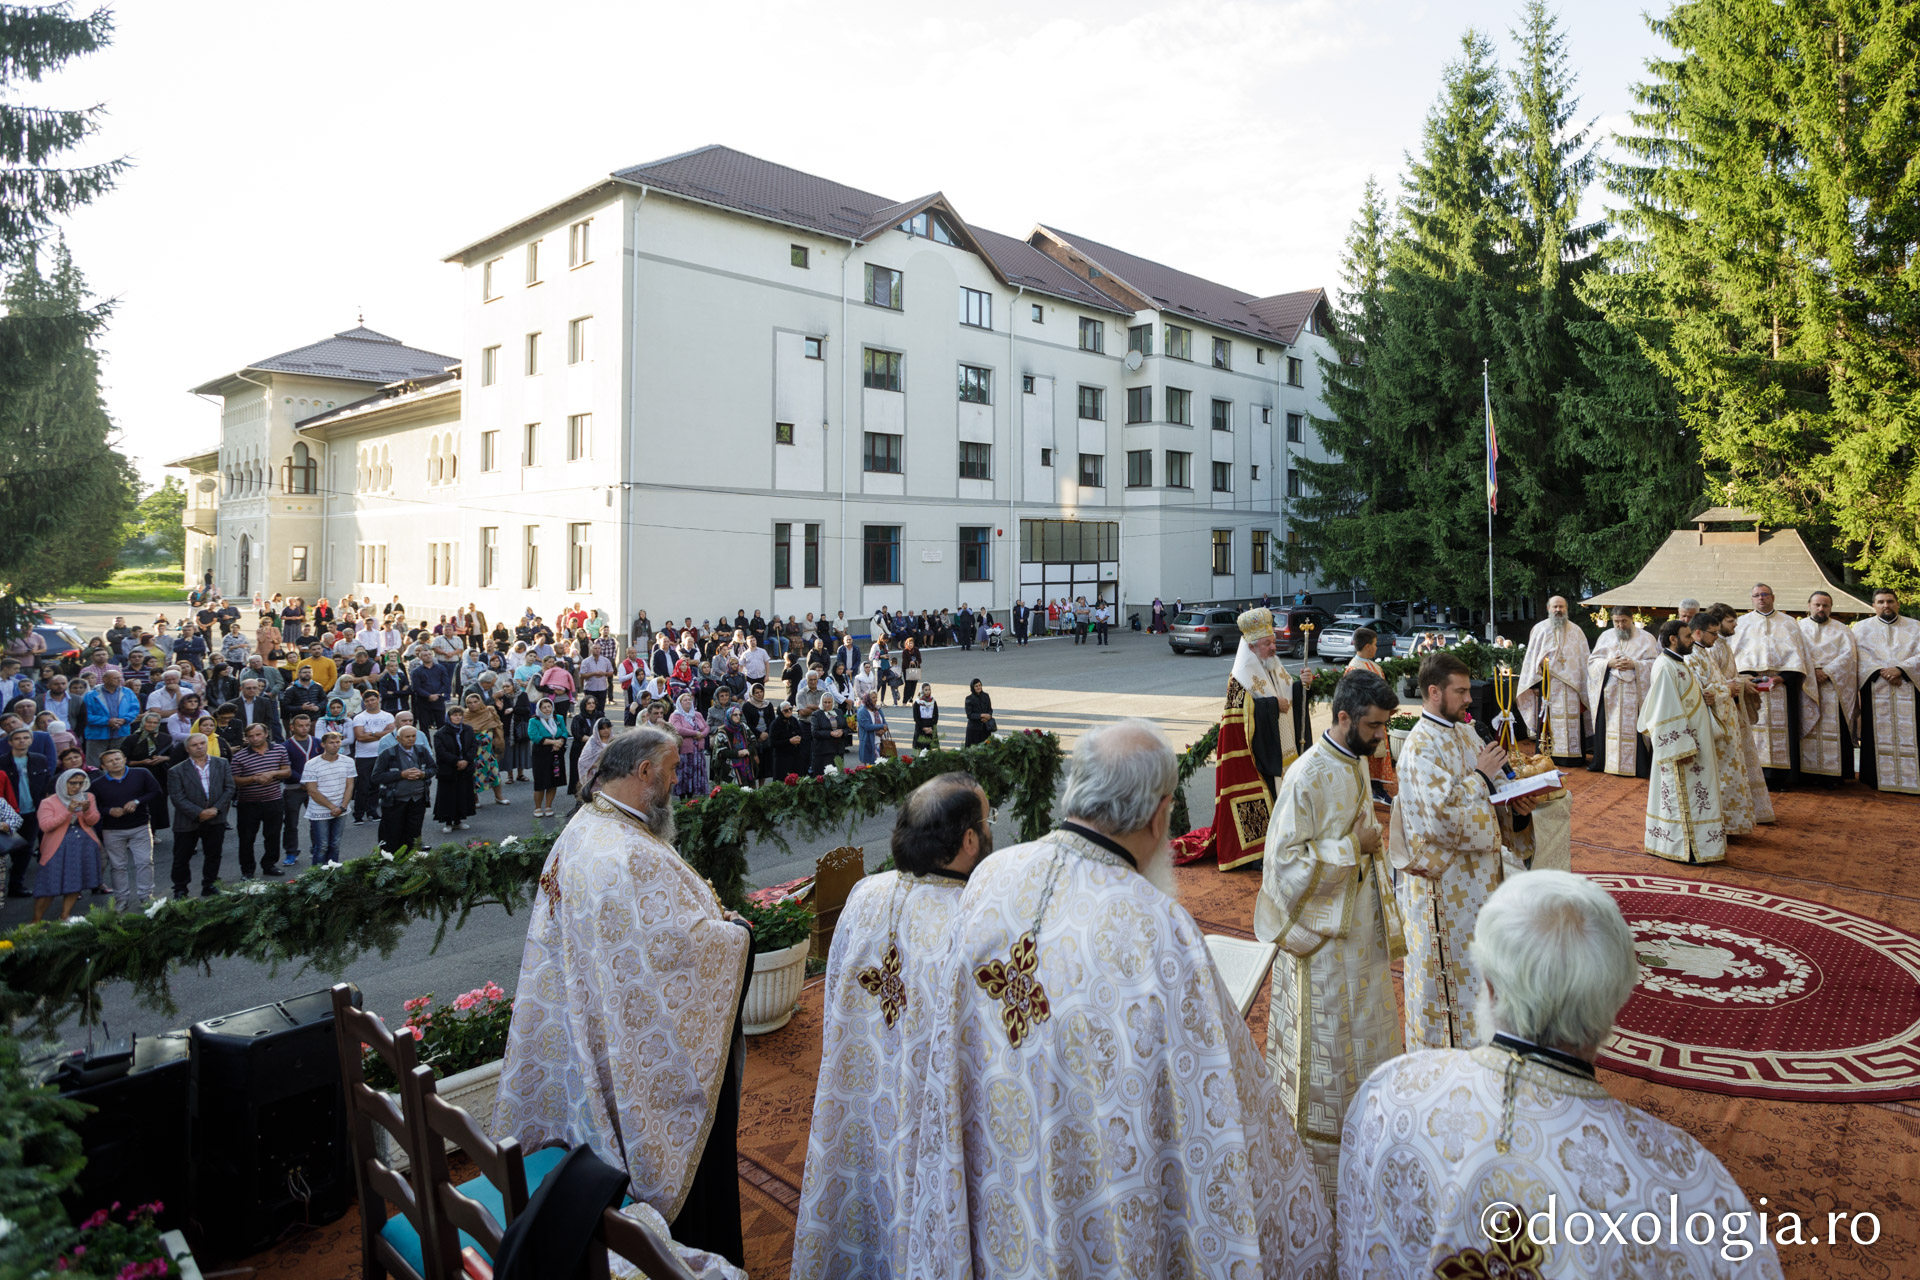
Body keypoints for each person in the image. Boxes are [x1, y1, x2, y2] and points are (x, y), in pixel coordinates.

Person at [903, 720, 1332, 1278]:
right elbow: (1220, 1103)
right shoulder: (1158, 925)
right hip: (1099, 1190)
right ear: (1160, 814)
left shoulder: (989, 877)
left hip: (998, 1163)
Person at [1338, 871, 1783, 1279]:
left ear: (1490, 987)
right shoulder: (1687, 1185)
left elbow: (1355, 1247)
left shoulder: (1388, 1095)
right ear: (1616, 999)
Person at [493, 726, 754, 1266]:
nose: (677, 781)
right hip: (641, 1045)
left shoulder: (585, 825)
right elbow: (676, 953)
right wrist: (735, 935)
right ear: (644, 772)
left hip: (594, 1015)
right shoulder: (628, 852)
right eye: (673, 770)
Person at [791, 772, 989, 1279]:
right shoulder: (972, 918)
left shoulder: (865, 893)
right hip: (928, 1105)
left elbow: (836, 990)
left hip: (862, 1092)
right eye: (987, 824)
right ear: (969, 840)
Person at [1256, 670, 1405, 1209]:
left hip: (1359, 934)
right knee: (1327, 1056)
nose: (1381, 738)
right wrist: (1351, 848)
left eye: (1384, 726)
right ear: (1343, 717)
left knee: (1365, 1041)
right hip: (1321, 944)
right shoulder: (1306, 776)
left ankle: (1368, 1143)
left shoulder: (1355, 759)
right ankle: (1317, 1174)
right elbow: (1282, 868)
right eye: (1374, 726)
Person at [1390, 653, 1536, 1049]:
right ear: (1434, 692)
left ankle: (1487, 1047)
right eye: (1461, 691)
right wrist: (1482, 778)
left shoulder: (1468, 734)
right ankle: (1445, 1062)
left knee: (1483, 973)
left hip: (1482, 884)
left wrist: (1515, 807)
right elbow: (1437, 821)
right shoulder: (1420, 746)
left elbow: (1491, 795)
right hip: (1444, 892)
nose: (1470, 699)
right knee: (1449, 987)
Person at [1192, 607, 1303, 871]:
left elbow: (1288, 690)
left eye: (1273, 641)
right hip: (1254, 755)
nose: (1273, 648)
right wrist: (1273, 706)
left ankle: (1281, 845)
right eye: (1267, 644)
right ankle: (1256, 853)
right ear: (1251, 647)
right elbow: (1238, 717)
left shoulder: (1272, 665)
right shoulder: (1239, 678)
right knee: (1262, 798)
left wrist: (1303, 685)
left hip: (1278, 748)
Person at [1638, 618, 1727, 864]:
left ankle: (1697, 847)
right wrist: (1680, 748)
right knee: (1684, 795)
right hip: (1683, 749)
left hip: (1696, 743)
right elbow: (1665, 709)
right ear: (1673, 639)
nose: (1692, 641)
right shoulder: (1665, 666)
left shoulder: (1679, 663)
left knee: (1697, 794)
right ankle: (1686, 849)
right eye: (1687, 637)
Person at [1732, 582, 1819, 789]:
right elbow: (1735, 655)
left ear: (1773, 597)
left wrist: (1781, 678)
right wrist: (1749, 677)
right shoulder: (1741, 623)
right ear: (1751, 599)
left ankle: (1784, 778)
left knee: (1784, 733)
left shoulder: (1789, 623)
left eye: (1764, 594)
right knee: (1754, 730)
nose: (1760, 598)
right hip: (1750, 685)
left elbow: (1800, 657)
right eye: (1756, 595)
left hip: (1782, 686)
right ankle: (1755, 776)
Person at [1685, 611, 1760, 837]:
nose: (1717, 637)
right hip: (1714, 725)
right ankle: (1719, 825)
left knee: (1729, 774)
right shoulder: (1691, 656)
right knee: (1720, 776)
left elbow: (1713, 684)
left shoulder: (1704, 652)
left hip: (1725, 721)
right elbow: (1699, 690)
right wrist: (1727, 689)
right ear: (1698, 632)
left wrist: (1732, 685)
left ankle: (1729, 824)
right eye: (1713, 633)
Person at [1854, 588, 1920, 794]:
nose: (1886, 605)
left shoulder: (1916, 627)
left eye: (1890, 601)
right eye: (1881, 602)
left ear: (1897, 604)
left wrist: (1901, 669)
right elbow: (1858, 655)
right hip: (1875, 685)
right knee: (1874, 733)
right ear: (1874, 606)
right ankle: (1875, 777)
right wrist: (1883, 672)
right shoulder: (1861, 628)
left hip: (1909, 686)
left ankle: (1913, 778)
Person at [1516, 596, 1591, 766]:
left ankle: (1574, 758)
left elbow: (1583, 660)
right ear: (1548, 608)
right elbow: (1531, 660)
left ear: (1566, 609)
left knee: (1572, 719)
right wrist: (1537, 675)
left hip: (1573, 687)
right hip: (1548, 684)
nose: (1558, 610)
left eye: (1561, 607)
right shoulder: (1540, 629)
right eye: (1555, 607)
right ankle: (1547, 756)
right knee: (1548, 718)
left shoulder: (1576, 631)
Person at [1584, 606, 1657, 776]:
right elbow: (1592, 662)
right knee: (1607, 726)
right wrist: (1608, 663)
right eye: (1616, 621)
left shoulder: (1646, 638)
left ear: (1632, 619)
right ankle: (1604, 763)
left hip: (1635, 695)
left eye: (1624, 621)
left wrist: (1635, 665)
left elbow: (1655, 664)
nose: (1620, 625)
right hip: (1611, 694)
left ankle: (1637, 766)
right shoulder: (1605, 636)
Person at [1799, 591, 1859, 784]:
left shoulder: (1842, 630)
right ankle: (1806, 775)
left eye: (1825, 605)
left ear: (1831, 608)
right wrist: (1813, 671)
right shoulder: (1797, 629)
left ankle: (1832, 777)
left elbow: (1849, 656)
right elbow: (1793, 653)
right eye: (1817, 605)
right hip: (1806, 686)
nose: (1821, 609)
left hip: (1834, 688)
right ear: (1809, 605)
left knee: (1835, 730)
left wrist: (1828, 672)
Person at [91, 747, 161, 910]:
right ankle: (121, 899)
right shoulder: (97, 784)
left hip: (140, 825)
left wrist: (137, 801)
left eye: (118, 759)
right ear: (103, 766)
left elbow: (156, 792)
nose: (115, 763)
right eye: (110, 761)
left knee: (145, 862)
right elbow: (94, 806)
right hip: (112, 829)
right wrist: (109, 811)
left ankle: (146, 897)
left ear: (124, 760)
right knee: (117, 866)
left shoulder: (142, 773)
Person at [166, 732, 233, 898]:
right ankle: (180, 889)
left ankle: (210, 884)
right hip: (187, 820)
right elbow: (177, 797)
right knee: (182, 857)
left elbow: (229, 788)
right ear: (187, 749)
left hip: (215, 818)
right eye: (195, 745)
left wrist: (215, 809)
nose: (200, 747)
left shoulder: (222, 763)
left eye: (202, 743)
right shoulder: (176, 770)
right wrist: (199, 813)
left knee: (214, 854)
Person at [34, 768, 100, 921]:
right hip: (56, 847)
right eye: (72, 783)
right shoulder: (48, 802)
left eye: (80, 783)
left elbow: (93, 821)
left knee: (75, 881)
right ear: (63, 783)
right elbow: (45, 826)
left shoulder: (88, 797)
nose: (77, 787)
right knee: (48, 884)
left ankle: (65, 915)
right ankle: (35, 921)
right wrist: (68, 811)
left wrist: (87, 810)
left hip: (83, 844)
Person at [1343, 627, 1399, 802]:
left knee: (1377, 753)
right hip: (1364, 721)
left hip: (1377, 719)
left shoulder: (1375, 666)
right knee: (1366, 755)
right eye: (1375, 644)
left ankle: (1377, 787)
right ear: (1367, 646)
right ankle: (1368, 790)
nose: (1376, 647)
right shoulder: (1354, 669)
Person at [230, 722, 290, 879]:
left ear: (266, 734)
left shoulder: (279, 749)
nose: (255, 738)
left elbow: (287, 771)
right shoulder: (239, 756)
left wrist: (272, 773)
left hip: (273, 800)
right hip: (248, 803)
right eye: (251, 736)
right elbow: (235, 780)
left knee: (273, 835)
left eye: (258, 735)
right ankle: (247, 870)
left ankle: (269, 865)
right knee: (247, 838)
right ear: (246, 738)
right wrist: (253, 778)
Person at [4, 726, 52, 897]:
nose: (22, 741)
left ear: (31, 741)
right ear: (10, 742)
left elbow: (46, 783)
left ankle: (16, 886)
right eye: (17, 738)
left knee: (26, 848)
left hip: (32, 811)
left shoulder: (40, 760)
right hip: (8, 813)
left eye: (26, 738)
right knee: (8, 847)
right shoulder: (2, 762)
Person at [375, 724, 435, 851]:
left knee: (414, 831)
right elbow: (376, 777)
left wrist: (423, 774)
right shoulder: (388, 754)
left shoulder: (422, 751)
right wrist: (401, 774)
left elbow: (433, 768)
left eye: (413, 736)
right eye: (407, 737)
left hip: (418, 799)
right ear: (398, 738)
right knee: (393, 833)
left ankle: (414, 856)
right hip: (396, 800)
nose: (411, 739)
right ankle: (391, 858)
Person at [302, 731, 355, 865]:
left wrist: (342, 807)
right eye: (331, 743)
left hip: (341, 809)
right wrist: (333, 807)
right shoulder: (311, 764)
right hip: (320, 810)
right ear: (323, 744)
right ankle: (317, 875)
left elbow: (350, 786)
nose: (335, 745)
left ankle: (332, 873)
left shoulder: (348, 761)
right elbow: (312, 791)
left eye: (338, 742)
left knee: (335, 844)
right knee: (322, 846)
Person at [348, 689, 395, 825]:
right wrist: (381, 733)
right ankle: (358, 814)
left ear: (378, 699)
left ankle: (372, 812)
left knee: (375, 785)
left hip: (381, 755)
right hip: (363, 756)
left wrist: (372, 733)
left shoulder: (388, 716)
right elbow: (360, 737)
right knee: (362, 786)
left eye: (373, 699)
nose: (370, 703)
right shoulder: (359, 717)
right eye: (367, 701)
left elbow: (391, 733)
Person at [82, 668, 141, 766]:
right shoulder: (91, 695)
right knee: (94, 764)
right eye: (115, 678)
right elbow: (86, 716)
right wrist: (107, 721)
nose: (119, 680)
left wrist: (124, 720)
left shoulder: (127, 692)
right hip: (97, 735)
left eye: (120, 678)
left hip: (121, 733)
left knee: (119, 763)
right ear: (105, 679)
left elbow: (134, 709)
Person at [433, 704, 478, 832]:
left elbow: (474, 746)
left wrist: (466, 760)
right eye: (454, 715)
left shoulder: (468, 729)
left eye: (459, 715)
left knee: (462, 794)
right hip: (449, 770)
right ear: (449, 717)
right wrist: (456, 761)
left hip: (465, 769)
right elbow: (441, 751)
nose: (457, 718)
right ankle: (448, 822)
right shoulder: (440, 733)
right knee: (448, 796)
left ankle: (459, 820)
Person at [463, 691, 509, 807]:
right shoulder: (465, 715)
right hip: (473, 754)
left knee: (494, 774)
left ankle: (499, 797)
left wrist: (498, 738)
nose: (473, 705)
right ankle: (475, 800)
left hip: (488, 752)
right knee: (473, 776)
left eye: (475, 701)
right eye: (469, 703)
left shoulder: (489, 711)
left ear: (480, 701)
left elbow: (498, 724)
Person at [527, 696, 570, 816]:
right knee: (540, 781)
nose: (547, 709)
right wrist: (553, 742)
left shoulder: (558, 718)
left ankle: (548, 806)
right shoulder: (534, 721)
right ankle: (538, 807)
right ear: (539, 709)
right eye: (544, 707)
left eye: (549, 706)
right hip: (541, 753)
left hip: (557, 752)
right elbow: (534, 736)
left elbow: (564, 732)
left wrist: (560, 742)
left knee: (553, 781)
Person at [575, 717, 617, 799]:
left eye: (608, 727)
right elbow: (583, 761)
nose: (606, 730)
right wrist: (596, 765)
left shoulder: (614, 741)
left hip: (611, 775)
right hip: (594, 776)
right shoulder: (592, 742)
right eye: (602, 728)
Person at [770, 702, 811, 779]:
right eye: (786, 710)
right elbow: (772, 743)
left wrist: (799, 738)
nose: (789, 711)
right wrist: (789, 741)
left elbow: (801, 734)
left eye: (790, 709)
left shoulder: (794, 720)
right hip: (782, 758)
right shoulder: (775, 724)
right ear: (780, 712)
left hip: (795, 756)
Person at [806, 700, 845, 775]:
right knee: (824, 775)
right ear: (821, 702)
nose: (827, 704)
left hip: (838, 749)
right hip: (824, 750)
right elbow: (814, 732)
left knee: (838, 774)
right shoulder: (816, 714)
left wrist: (842, 732)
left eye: (829, 702)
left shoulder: (839, 712)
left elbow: (846, 728)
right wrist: (830, 733)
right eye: (825, 702)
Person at [855, 692, 890, 764]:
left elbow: (884, 722)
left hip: (880, 742)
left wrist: (883, 730)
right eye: (873, 698)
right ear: (867, 699)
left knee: (882, 765)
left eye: (876, 697)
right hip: (868, 742)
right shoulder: (862, 711)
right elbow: (867, 726)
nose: (876, 699)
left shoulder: (878, 709)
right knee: (870, 766)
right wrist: (881, 726)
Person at [961, 677, 993, 746]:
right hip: (974, 729)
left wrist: (988, 717)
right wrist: (982, 715)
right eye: (976, 686)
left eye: (979, 685)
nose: (978, 687)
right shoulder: (969, 699)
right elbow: (969, 715)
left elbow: (990, 709)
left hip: (985, 728)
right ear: (972, 687)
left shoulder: (986, 696)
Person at [910, 683, 938, 752]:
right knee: (919, 749)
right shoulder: (917, 702)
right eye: (926, 690)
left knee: (931, 750)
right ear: (922, 690)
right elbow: (916, 717)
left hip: (931, 727)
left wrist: (931, 727)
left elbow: (936, 715)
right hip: (920, 727)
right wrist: (923, 728)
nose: (928, 691)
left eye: (929, 690)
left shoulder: (933, 701)